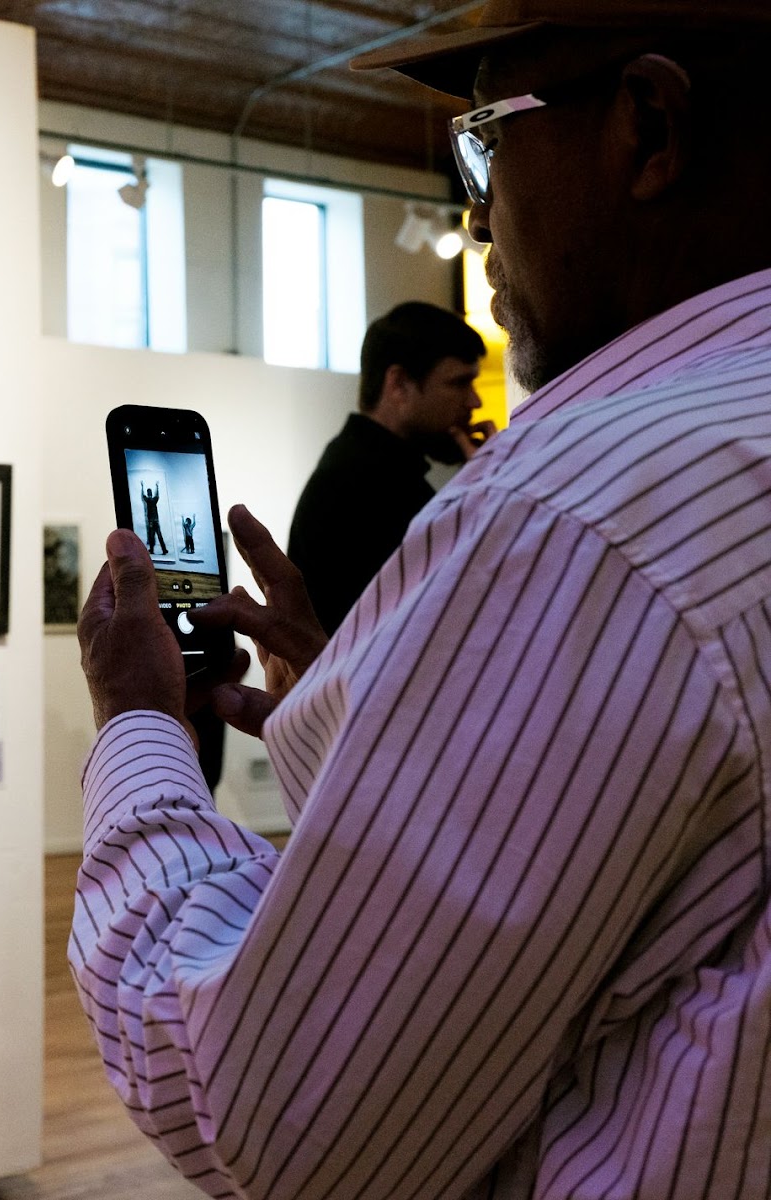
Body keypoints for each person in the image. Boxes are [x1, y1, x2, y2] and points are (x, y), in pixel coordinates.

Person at [71, 4, 771, 1197]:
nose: (477, 210)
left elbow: (281, 1117)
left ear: (648, 127)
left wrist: (137, 725)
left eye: (487, 138)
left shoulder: (579, 515)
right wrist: (373, 705)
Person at [288, 302, 488, 633]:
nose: (474, 402)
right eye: (459, 383)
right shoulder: (370, 487)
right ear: (398, 384)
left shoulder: (363, 469)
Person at [140, 480, 168, 554]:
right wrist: (157, 486)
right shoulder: (154, 500)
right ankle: (164, 550)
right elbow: (157, 495)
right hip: (156, 520)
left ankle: (152, 550)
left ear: (148, 493)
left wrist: (142, 486)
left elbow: (143, 495)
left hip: (151, 522)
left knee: (151, 536)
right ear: (151, 493)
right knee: (159, 536)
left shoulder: (148, 500)